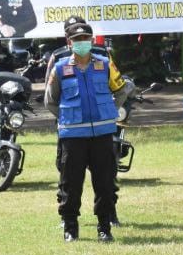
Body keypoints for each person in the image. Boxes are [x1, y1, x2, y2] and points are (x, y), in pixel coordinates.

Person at [45, 22, 129, 242]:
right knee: (70, 185)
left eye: (85, 39)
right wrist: (68, 117)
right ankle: (71, 228)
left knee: (104, 183)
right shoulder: (60, 68)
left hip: (102, 135)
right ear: (69, 42)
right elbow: (50, 101)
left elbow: (121, 90)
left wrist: (110, 110)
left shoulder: (104, 65)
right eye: (77, 39)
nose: (81, 43)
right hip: (72, 137)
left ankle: (104, 228)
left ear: (92, 41)